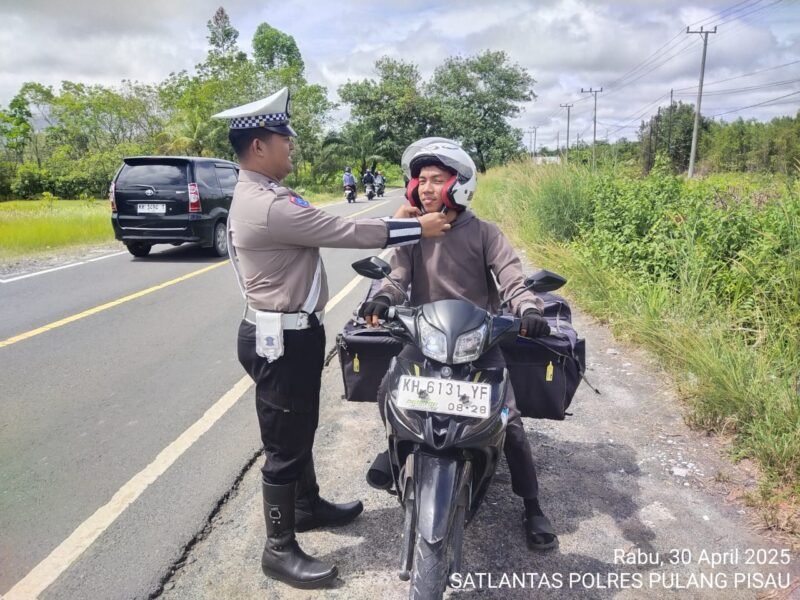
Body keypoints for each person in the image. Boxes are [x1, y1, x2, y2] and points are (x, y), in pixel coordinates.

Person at [212, 88, 452, 589]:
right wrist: (415, 230)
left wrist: (396, 222)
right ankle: (279, 549)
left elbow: (330, 227)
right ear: (259, 146)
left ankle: (305, 506)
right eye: (285, 139)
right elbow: (340, 232)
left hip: (292, 336)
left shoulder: (267, 194)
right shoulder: (266, 204)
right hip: (279, 340)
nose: (291, 147)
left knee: (300, 427)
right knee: (283, 445)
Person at [359, 138, 559, 552]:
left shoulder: (485, 232)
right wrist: (383, 296)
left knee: (510, 422)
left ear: (459, 185)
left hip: (478, 340)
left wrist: (528, 309)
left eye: (437, 179)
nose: (426, 188)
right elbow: (397, 276)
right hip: (426, 336)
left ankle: (532, 505)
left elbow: (511, 277)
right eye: (421, 180)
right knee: (388, 392)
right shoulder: (414, 232)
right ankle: (395, 447)